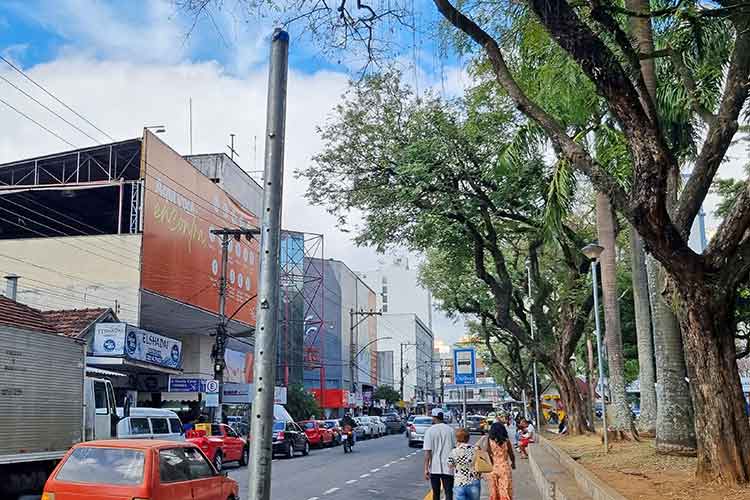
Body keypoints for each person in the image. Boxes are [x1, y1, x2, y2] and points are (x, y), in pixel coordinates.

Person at [424, 408, 456, 500]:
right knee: (449, 492)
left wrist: (426, 468)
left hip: (434, 467)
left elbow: (427, 452)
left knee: (436, 493)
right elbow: (454, 448)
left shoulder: (430, 431)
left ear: (434, 417)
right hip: (448, 467)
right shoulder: (450, 430)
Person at [447, 428, 481, 500]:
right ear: (468, 438)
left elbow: (450, 465)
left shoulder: (454, 451)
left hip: (459, 482)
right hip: (473, 481)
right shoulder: (475, 450)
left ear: (457, 438)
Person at [486, 422, 515, 500]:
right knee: (505, 491)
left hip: (493, 468)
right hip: (504, 468)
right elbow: (511, 454)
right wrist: (513, 463)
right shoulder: (506, 441)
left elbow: (488, 453)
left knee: (494, 492)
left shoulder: (489, 441)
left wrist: (491, 464)